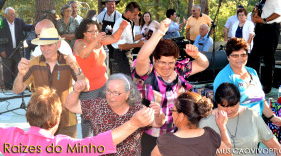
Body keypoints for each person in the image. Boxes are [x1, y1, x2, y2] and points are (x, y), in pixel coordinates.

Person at [0, 86, 156, 156]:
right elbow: (99, 143)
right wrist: (133, 123)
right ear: (57, 120)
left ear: (29, 116)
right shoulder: (62, 146)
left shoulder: (11, 138)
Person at [132, 19, 209, 155]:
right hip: (150, 136)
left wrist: (197, 54)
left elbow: (203, 64)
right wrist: (160, 32)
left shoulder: (180, 71)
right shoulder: (147, 74)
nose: (166, 67)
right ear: (154, 60)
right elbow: (142, 57)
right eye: (162, 62)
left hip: (176, 134)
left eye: (170, 63)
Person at [13, 27, 88, 138]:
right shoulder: (33, 63)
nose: (45, 49)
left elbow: (86, 87)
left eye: (49, 45)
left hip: (66, 121)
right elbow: (17, 90)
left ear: (58, 45)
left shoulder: (68, 61)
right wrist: (20, 74)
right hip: (41, 123)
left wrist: (77, 70)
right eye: (42, 45)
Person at [65, 73, 166, 156]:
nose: (111, 96)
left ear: (128, 94)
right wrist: (76, 91)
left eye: (116, 93)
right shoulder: (97, 105)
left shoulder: (137, 110)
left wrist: (159, 114)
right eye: (108, 91)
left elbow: (158, 123)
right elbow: (71, 106)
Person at [73, 19, 128, 138]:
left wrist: (121, 28)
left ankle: (101, 144)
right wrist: (96, 40)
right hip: (89, 89)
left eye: (96, 31)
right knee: (88, 119)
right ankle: (87, 146)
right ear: (83, 32)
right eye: (91, 31)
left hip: (104, 85)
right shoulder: (79, 43)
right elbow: (84, 54)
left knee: (103, 116)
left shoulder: (99, 40)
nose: (95, 33)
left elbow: (114, 38)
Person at [213, 38, 281, 126]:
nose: (240, 58)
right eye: (235, 55)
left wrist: (272, 117)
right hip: (236, 127)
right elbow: (224, 109)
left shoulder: (252, 72)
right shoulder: (224, 77)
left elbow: (261, 99)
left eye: (243, 55)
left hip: (256, 123)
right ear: (228, 57)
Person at [200, 83, 281, 156]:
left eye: (233, 105)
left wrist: (280, 153)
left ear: (239, 101)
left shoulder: (251, 115)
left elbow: (269, 139)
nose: (229, 110)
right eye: (224, 106)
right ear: (217, 104)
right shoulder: (206, 121)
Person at [151, 92, 232, 156]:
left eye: (173, 110)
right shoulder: (211, 136)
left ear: (181, 116)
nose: (171, 113)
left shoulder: (165, 142)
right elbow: (228, 154)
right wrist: (222, 127)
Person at [249, 0, 281, 94]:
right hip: (261, 28)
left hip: (271, 28)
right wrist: (256, 14)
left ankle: (267, 87)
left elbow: (279, 12)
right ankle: (253, 82)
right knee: (254, 56)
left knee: (269, 58)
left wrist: (263, 20)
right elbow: (263, 6)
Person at [0, 7, 33, 89]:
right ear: (6, 15)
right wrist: (1, 50)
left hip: (17, 50)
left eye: (14, 13)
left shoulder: (19, 21)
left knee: (17, 69)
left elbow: (26, 28)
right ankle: (8, 87)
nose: (13, 15)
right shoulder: (2, 23)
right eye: (11, 14)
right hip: (6, 51)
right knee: (7, 70)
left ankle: (17, 86)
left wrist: (34, 25)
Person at [111, 2, 144, 76]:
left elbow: (131, 38)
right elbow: (121, 45)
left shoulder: (130, 22)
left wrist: (143, 36)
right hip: (121, 54)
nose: (136, 17)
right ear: (128, 12)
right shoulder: (120, 23)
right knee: (126, 78)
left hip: (128, 53)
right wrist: (137, 45)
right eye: (135, 15)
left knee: (130, 76)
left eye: (137, 15)